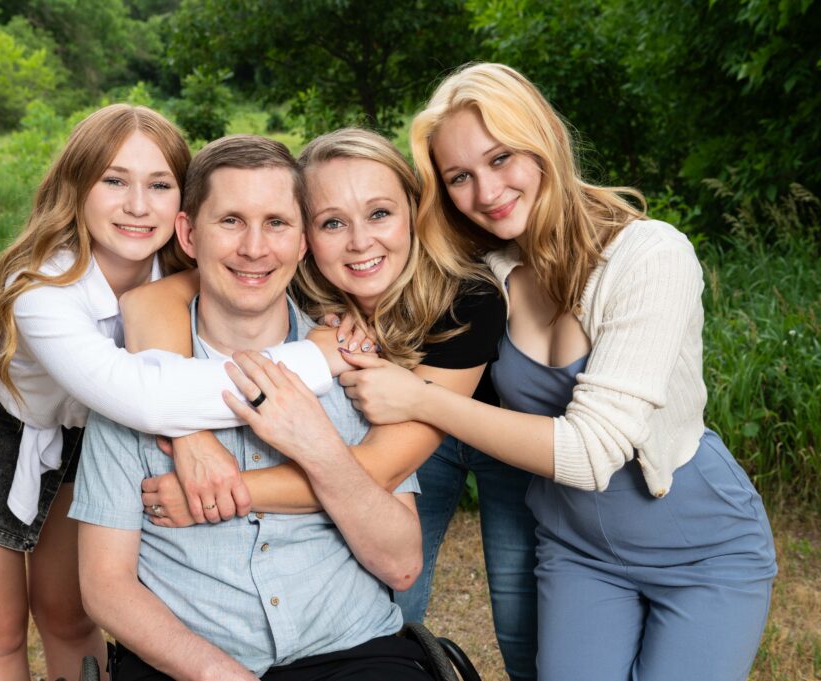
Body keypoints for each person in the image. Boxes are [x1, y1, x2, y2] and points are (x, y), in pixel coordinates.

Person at [318, 62, 778, 680]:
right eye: (460, 176)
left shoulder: (651, 255)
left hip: (701, 549)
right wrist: (341, 319)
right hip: (578, 551)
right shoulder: (488, 267)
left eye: (502, 157)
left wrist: (420, 399)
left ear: (546, 142)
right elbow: (381, 265)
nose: (486, 192)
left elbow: (592, 454)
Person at [0, 106, 336, 681]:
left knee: (69, 613)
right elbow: (145, 394)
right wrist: (314, 359)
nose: (137, 205)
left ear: (184, 208)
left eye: (159, 185)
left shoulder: (185, 269)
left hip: (92, 432)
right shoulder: (39, 289)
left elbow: (269, 287)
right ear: (75, 188)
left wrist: (334, 323)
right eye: (113, 181)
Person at [132, 129, 538, 679]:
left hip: (479, 426)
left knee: (519, 614)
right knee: (395, 600)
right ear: (304, 236)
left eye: (379, 214)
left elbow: (373, 469)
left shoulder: (465, 296)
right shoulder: (292, 278)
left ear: (414, 215)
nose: (358, 242)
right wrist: (189, 433)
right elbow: (151, 301)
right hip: (378, 431)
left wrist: (213, 493)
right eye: (331, 223)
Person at [70, 134, 431, 681]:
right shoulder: (130, 387)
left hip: (354, 652)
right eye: (231, 221)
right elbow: (106, 587)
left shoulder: (359, 366)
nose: (255, 248)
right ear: (188, 234)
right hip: (190, 664)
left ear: (304, 241)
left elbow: (402, 565)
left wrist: (317, 445)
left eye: (277, 223)